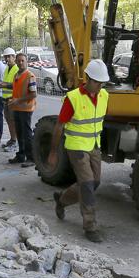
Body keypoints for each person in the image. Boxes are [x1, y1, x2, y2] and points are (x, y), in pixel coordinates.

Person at [47, 59, 110, 243]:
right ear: (88, 78)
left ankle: (62, 200)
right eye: (97, 82)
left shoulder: (104, 95)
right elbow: (59, 125)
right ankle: (90, 226)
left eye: (102, 83)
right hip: (76, 147)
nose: (99, 86)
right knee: (88, 183)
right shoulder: (73, 98)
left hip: (93, 145)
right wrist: (53, 152)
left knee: (94, 182)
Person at [8, 52, 38, 167]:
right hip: (17, 107)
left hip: (26, 109)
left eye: (22, 61)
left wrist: (18, 100)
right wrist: (12, 99)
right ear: (16, 61)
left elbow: (33, 94)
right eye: (19, 61)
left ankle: (31, 158)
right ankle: (21, 155)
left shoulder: (30, 76)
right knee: (20, 133)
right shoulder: (17, 75)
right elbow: (18, 90)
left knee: (26, 133)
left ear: (26, 62)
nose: (20, 63)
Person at [0, 47, 19, 151]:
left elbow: (16, 85)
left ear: (14, 57)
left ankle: (15, 142)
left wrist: (4, 85)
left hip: (12, 99)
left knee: (13, 121)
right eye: (6, 57)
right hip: (6, 99)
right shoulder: (7, 68)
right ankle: (12, 140)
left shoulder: (16, 69)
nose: (7, 59)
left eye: (9, 57)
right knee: (9, 120)